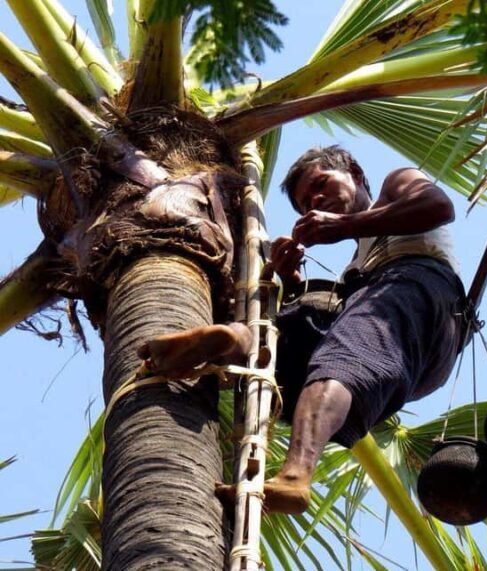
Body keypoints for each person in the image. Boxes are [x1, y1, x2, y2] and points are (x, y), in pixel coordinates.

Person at [138, 146, 464, 514]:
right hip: (404, 343)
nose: (315, 201)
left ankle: (294, 477)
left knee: (343, 356)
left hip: (422, 290)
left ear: (356, 174)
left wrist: (342, 226)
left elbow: (438, 207)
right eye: (306, 202)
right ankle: (236, 340)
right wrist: (290, 279)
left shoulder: (396, 182)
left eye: (321, 184)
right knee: (291, 347)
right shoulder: (357, 265)